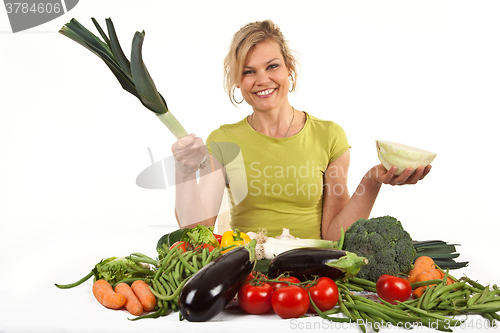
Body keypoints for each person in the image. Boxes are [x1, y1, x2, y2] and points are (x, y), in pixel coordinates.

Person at [171, 20, 431, 241]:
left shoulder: (329, 136)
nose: (262, 80)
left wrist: (372, 181)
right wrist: (183, 170)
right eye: (249, 71)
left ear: (289, 69)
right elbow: (197, 230)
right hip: (247, 278)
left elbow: (333, 236)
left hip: (310, 278)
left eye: (272, 66)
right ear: (239, 82)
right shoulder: (223, 140)